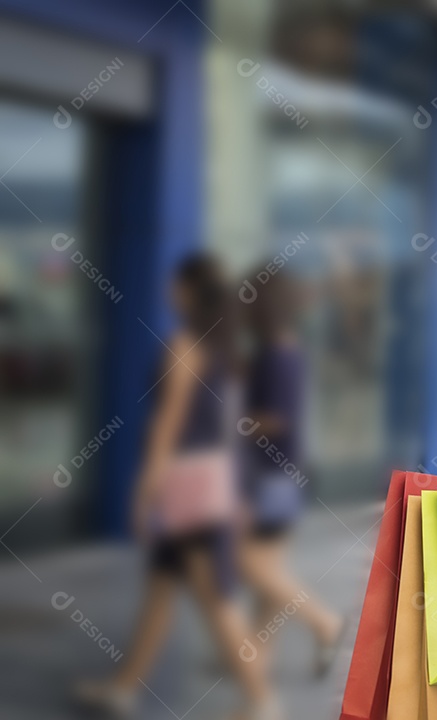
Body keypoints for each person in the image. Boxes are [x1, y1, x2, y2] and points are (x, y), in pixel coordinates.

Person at [74, 252, 280, 720]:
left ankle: (262, 701)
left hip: (189, 490)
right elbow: (229, 431)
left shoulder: (185, 348)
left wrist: (143, 493)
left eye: (176, 283)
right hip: (214, 486)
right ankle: (124, 687)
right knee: (162, 586)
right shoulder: (225, 353)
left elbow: (166, 429)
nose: (169, 289)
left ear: (188, 291)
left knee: (215, 598)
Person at [235, 264, 344, 677]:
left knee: (251, 566)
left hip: (271, 477)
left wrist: (234, 425)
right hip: (282, 474)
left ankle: (324, 623)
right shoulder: (281, 349)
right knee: (269, 575)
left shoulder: (277, 353)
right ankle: (252, 660)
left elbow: (277, 418)